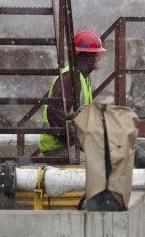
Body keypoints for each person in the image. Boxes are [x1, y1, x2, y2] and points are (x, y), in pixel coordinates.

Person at [38, 29, 105, 158]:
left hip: (67, 145)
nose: (98, 57)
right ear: (83, 56)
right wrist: (72, 140)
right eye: (95, 54)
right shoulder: (71, 78)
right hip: (58, 148)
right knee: (101, 167)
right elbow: (54, 112)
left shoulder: (82, 77)